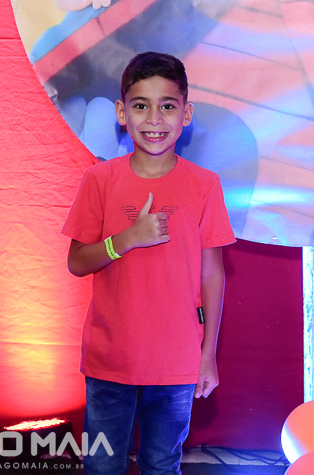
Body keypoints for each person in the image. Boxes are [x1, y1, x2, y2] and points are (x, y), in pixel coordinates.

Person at [61, 52, 235, 474]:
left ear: (186, 113)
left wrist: (207, 354)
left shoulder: (204, 185)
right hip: (110, 361)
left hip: (177, 363)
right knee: (103, 465)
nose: (154, 119)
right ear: (122, 113)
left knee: (162, 464)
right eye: (141, 105)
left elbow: (212, 273)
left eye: (167, 106)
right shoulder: (99, 180)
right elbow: (77, 262)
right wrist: (127, 239)